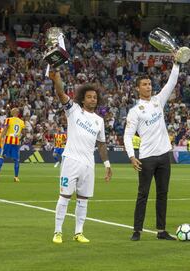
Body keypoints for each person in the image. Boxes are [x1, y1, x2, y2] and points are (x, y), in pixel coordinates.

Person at [49, 70, 112, 244]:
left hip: (88, 164)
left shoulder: (99, 120)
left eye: (95, 97)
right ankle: (58, 232)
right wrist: (57, 77)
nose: (93, 99)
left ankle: (79, 232)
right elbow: (60, 92)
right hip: (71, 160)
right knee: (65, 197)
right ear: (82, 99)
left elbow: (101, 143)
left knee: (83, 199)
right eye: (89, 97)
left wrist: (107, 164)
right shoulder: (73, 110)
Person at [124, 57, 180, 241]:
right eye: (145, 84)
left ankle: (161, 231)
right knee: (143, 194)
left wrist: (177, 63)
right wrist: (132, 156)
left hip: (164, 155)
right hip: (146, 157)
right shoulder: (135, 111)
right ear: (138, 88)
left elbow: (171, 82)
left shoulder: (158, 100)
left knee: (163, 194)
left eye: (149, 84)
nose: (149, 87)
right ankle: (136, 230)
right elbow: (127, 136)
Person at [0, 108, 25, 182]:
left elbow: (5, 129)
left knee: (2, 156)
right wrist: (19, 137)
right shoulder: (22, 122)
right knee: (16, 159)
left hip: (8, 141)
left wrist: (0, 137)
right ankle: (16, 177)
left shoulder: (8, 119)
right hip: (16, 142)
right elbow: (23, 133)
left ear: (12, 112)